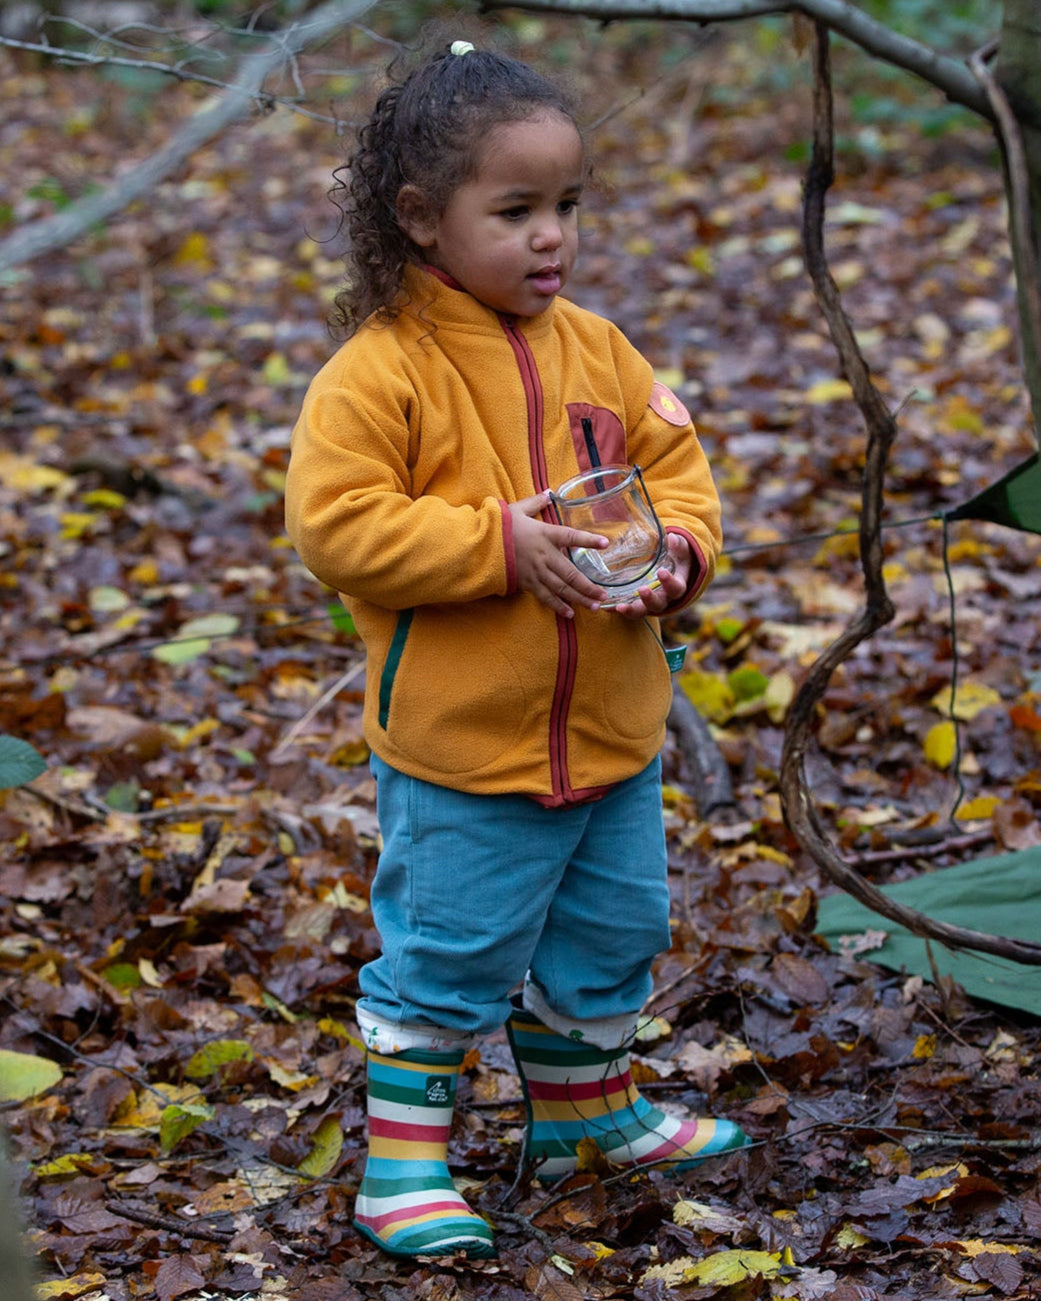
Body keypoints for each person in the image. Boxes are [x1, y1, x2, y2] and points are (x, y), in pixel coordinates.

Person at [284, 38, 748, 1261]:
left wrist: (678, 554)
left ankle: (586, 1119)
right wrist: (498, 544)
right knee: (452, 951)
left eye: (568, 206)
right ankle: (403, 1166)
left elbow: (678, 473)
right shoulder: (379, 373)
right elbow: (334, 525)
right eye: (517, 210)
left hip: (610, 731)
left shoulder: (601, 349)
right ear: (420, 217)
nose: (554, 237)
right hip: (465, 747)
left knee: (615, 931)